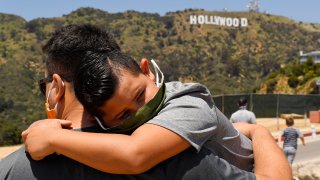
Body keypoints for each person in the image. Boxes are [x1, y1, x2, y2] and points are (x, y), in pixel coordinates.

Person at [21, 24, 291, 179]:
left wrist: (53, 139)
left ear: (147, 70)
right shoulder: (113, 135)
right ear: (105, 120)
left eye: (140, 96)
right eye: (124, 115)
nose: (141, 112)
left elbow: (134, 154)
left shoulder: (188, 100)